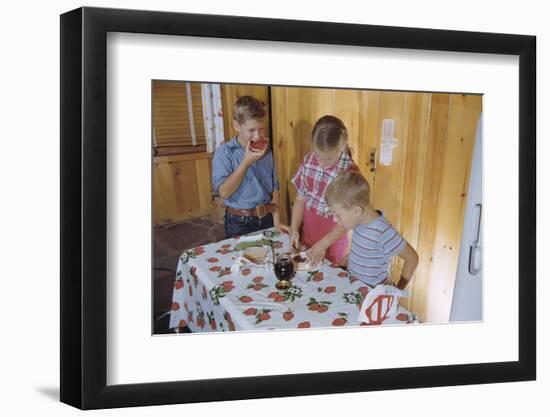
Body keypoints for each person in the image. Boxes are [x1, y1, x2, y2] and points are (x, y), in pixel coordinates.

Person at [324, 170, 419, 290]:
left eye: (338, 215)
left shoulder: (383, 232)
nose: (334, 219)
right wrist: (349, 258)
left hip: (375, 296)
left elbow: (412, 258)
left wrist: (398, 290)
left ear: (357, 211)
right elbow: (367, 248)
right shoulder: (358, 221)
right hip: (357, 288)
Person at [212, 96, 289, 238]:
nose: (258, 136)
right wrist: (246, 162)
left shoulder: (267, 151)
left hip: (267, 217)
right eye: (251, 130)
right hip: (239, 221)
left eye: (261, 129)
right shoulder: (224, 153)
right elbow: (223, 193)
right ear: (236, 126)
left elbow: (274, 188)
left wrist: (276, 220)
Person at [289, 115, 358, 265]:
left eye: (327, 159)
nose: (321, 164)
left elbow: (347, 222)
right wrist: (294, 228)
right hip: (308, 233)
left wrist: (323, 244)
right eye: (318, 156)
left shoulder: (349, 174)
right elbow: (300, 199)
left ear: (341, 147)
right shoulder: (308, 160)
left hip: (333, 240)